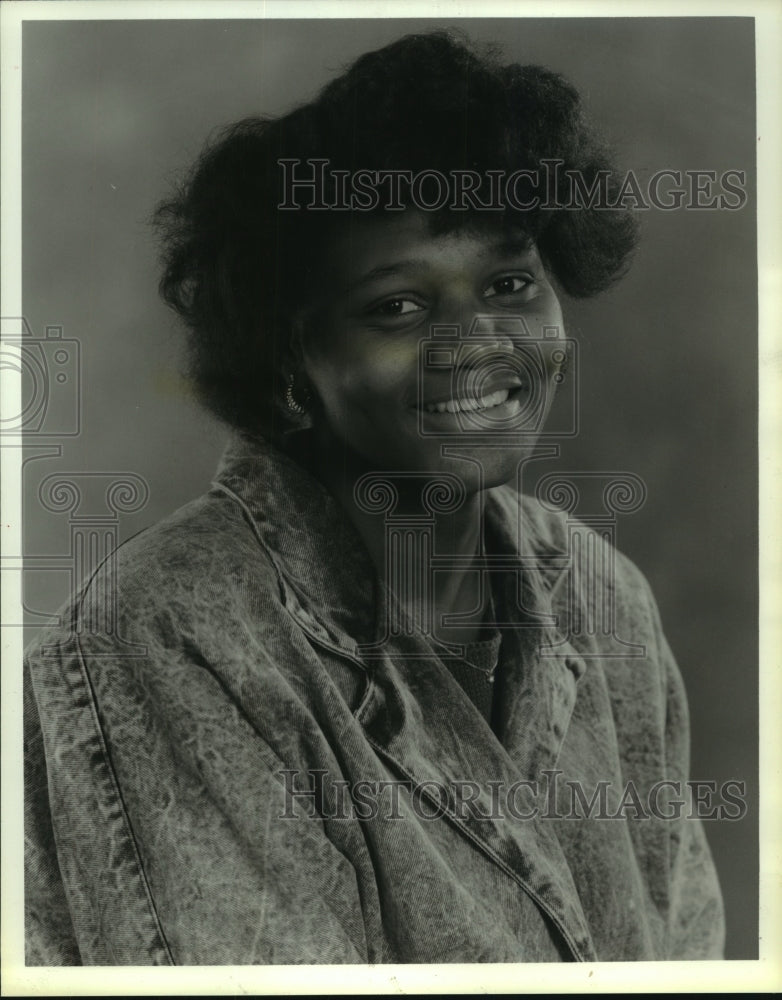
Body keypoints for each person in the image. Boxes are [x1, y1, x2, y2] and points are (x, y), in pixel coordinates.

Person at [23, 31, 724, 964]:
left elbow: (691, 961)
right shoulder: (164, 635)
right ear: (287, 362)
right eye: (399, 306)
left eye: (510, 282)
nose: (477, 341)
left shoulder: (608, 599)